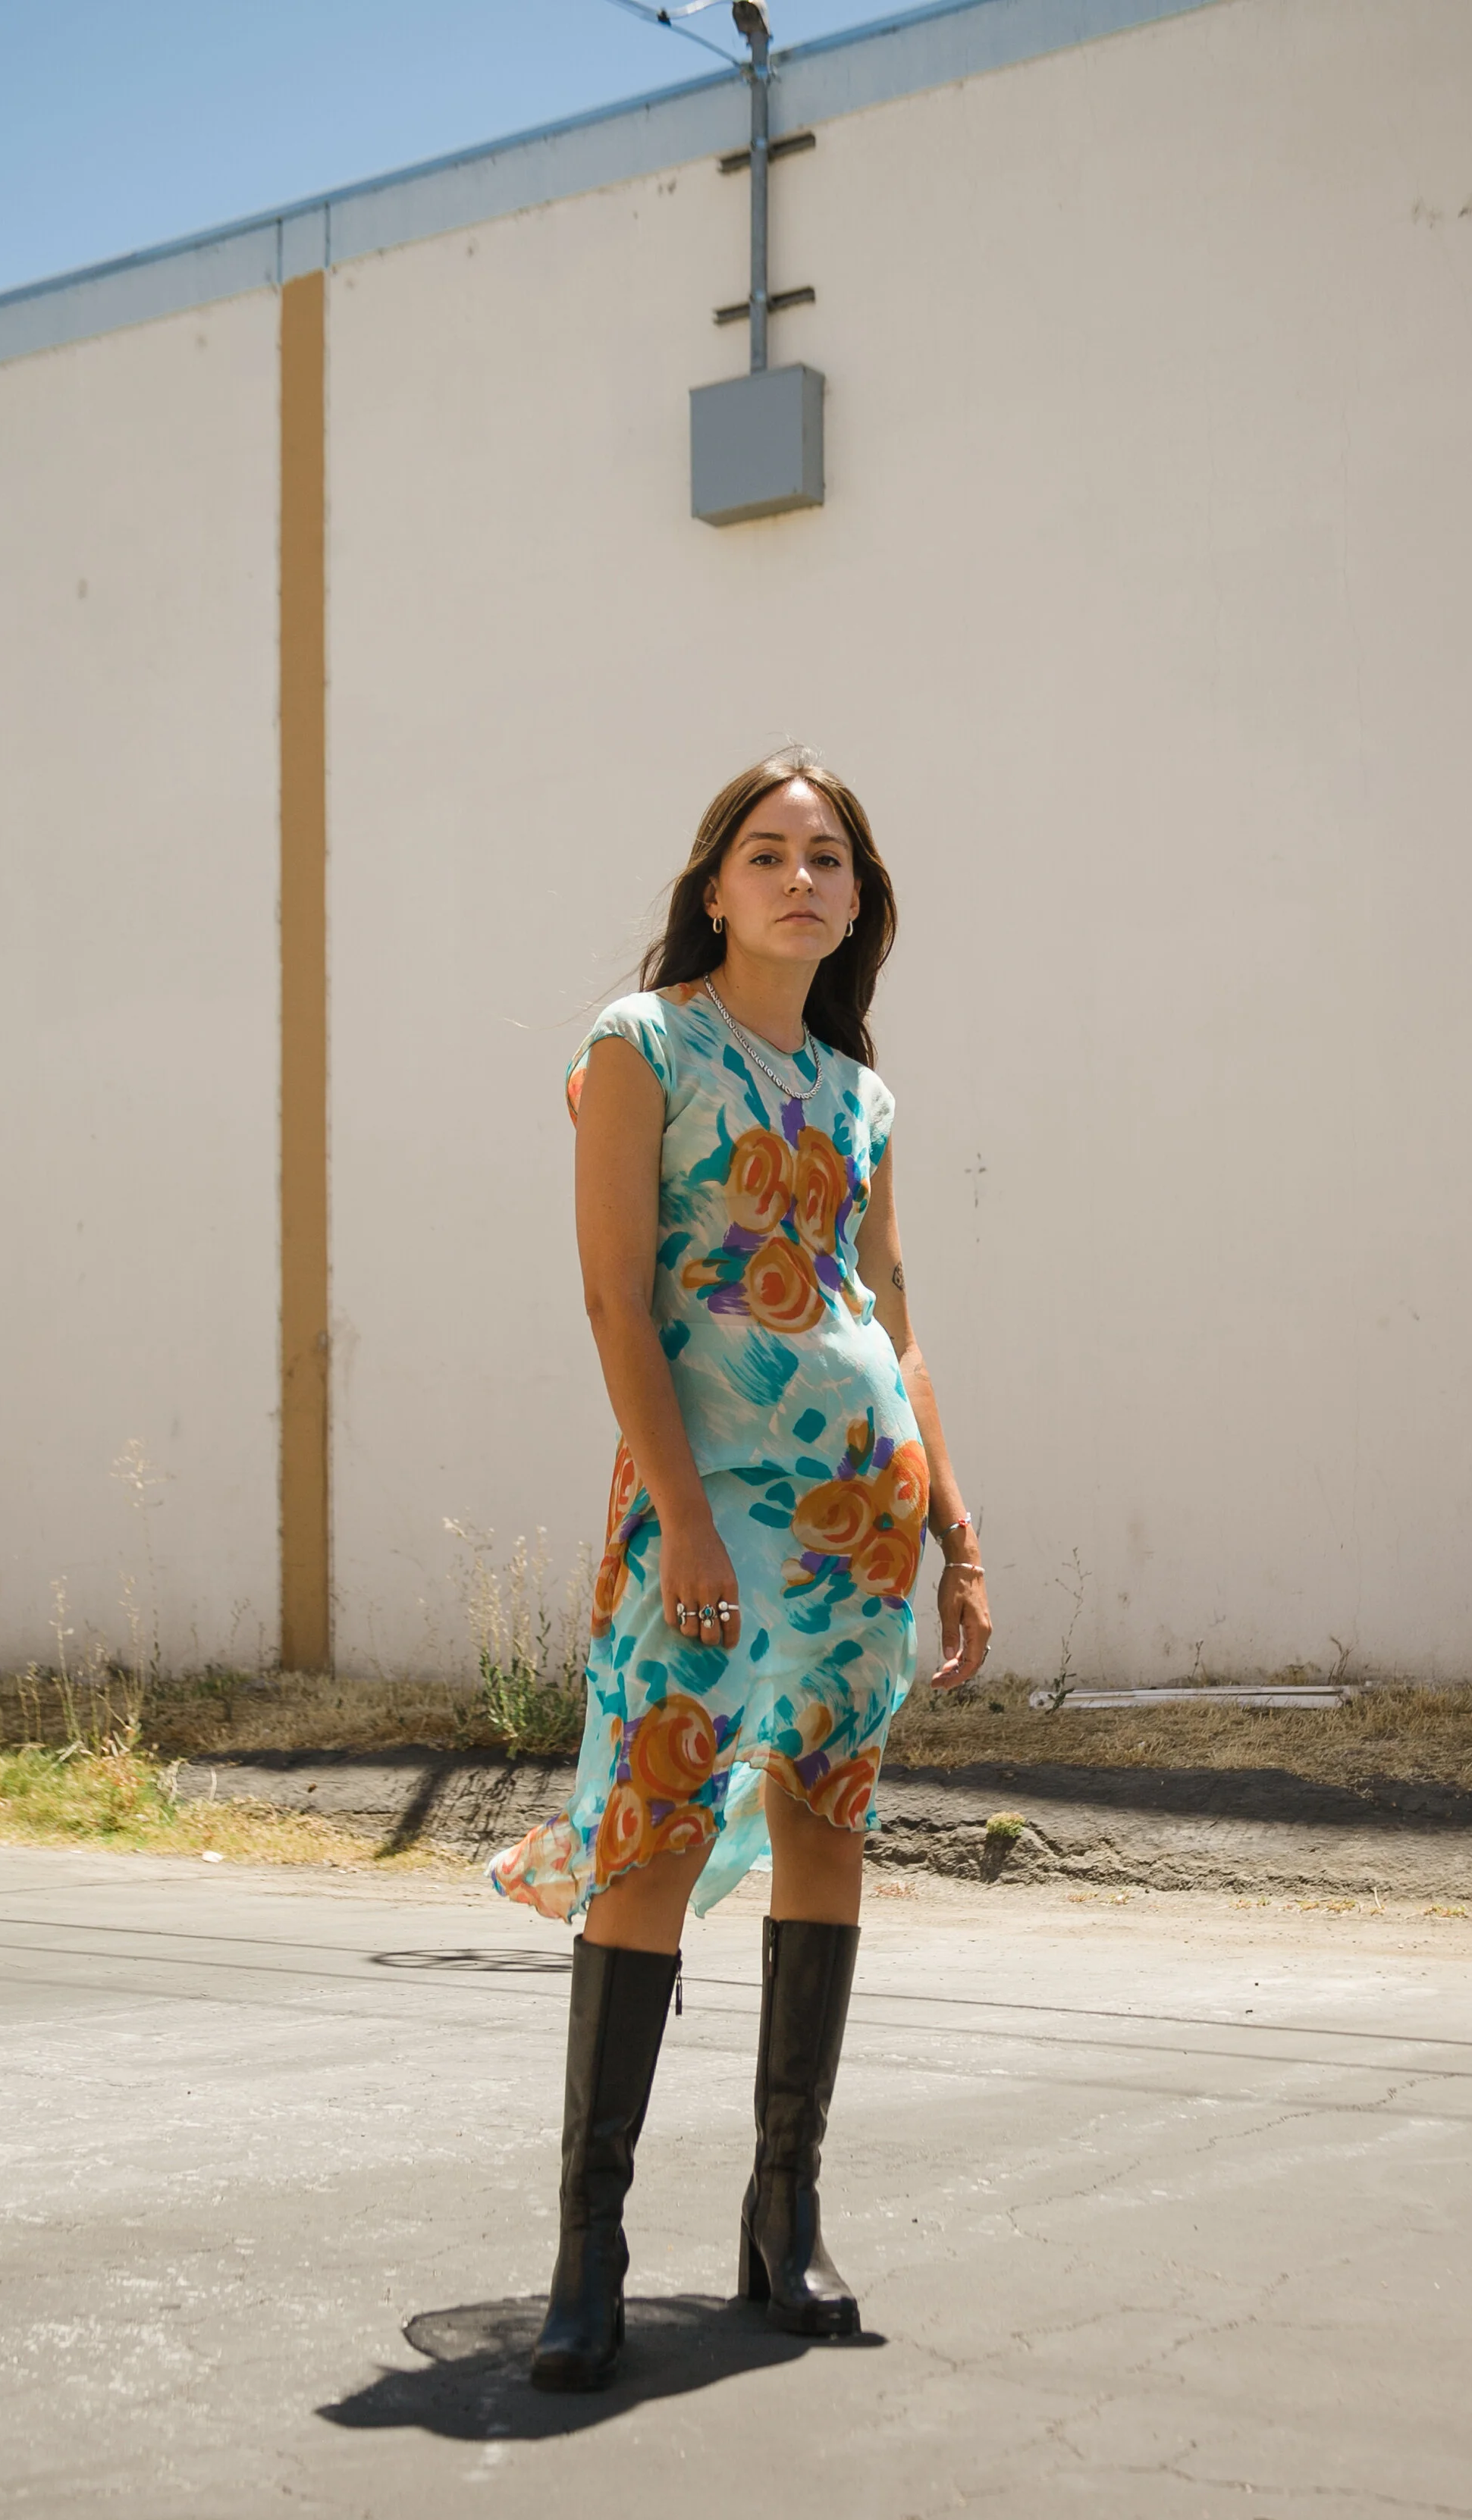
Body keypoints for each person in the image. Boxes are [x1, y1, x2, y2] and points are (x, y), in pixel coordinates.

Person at [490, 751, 992, 2391]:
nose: (797, 879)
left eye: (825, 858)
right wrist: (687, 1518)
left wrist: (954, 1527)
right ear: (714, 888)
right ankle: (588, 2251)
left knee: (824, 1823)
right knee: (653, 1823)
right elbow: (611, 1302)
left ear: (856, 901)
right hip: (709, 1512)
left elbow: (890, 1319)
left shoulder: (859, 1093)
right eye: (765, 854)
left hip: (858, 1519)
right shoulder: (640, 1047)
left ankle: (786, 2215)